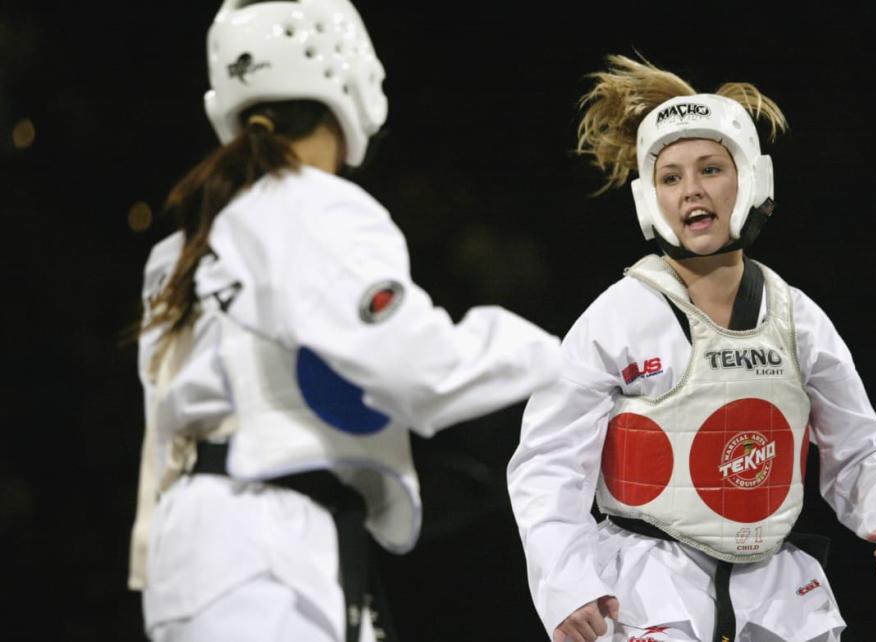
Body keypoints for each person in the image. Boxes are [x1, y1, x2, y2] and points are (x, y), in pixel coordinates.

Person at [126, 1, 562, 641]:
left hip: (190, 549)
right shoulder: (312, 205)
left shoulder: (182, 244)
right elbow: (422, 367)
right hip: (267, 546)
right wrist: (562, 355)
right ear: (351, 80)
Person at [506, 55, 876, 642]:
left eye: (711, 168)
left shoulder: (797, 319)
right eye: (671, 177)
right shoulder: (616, 319)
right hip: (647, 593)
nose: (692, 190)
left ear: (751, 179)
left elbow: (861, 442)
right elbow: (549, 464)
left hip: (778, 597)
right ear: (650, 197)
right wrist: (566, 582)